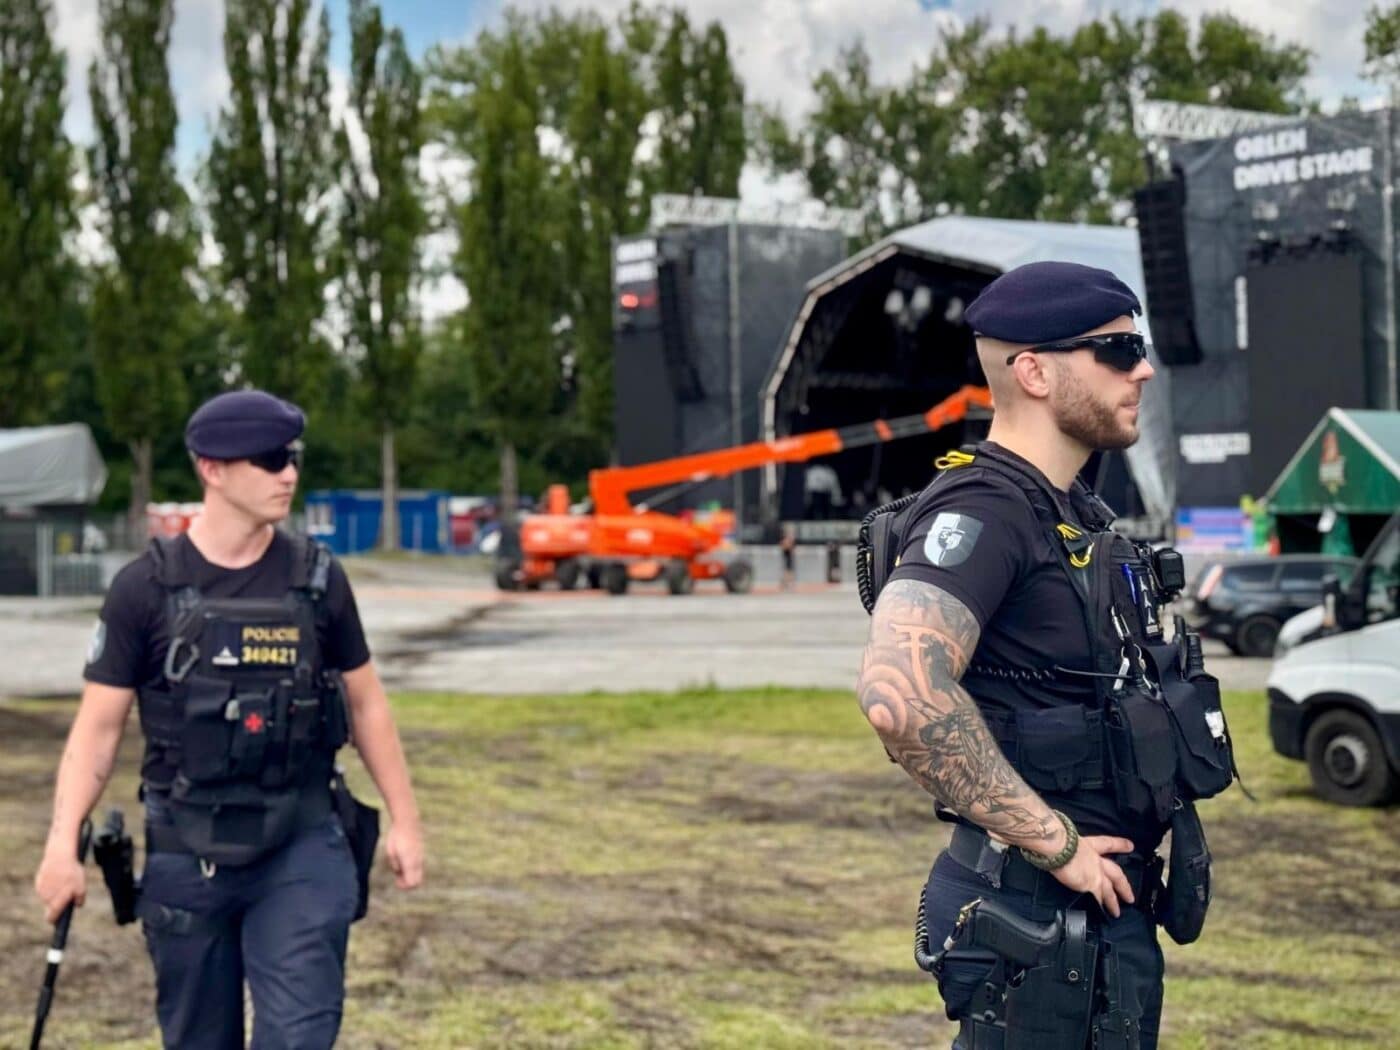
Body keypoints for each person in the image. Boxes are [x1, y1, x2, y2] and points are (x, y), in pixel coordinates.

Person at [856, 262, 1234, 1049]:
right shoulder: (985, 509)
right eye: (1118, 350)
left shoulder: (1074, 508)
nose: (1145, 369)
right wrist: (1052, 840)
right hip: (1033, 919)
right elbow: (901, 691)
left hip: (1088, 924)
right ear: (1033, 370)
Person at [34, 389, 425, 1049]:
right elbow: (98, 729)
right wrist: (59, 843)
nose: (290, 474)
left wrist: (406, 822)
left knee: (299, 1037)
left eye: (293, 457)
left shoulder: (318, 580)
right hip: (188, 853)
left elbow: (365, 703)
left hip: (300, 843)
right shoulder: (145, 589)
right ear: (211, 468)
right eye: (270, 459)